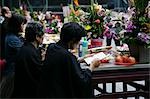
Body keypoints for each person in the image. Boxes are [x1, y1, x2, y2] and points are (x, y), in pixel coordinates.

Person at [38, 22, 101, 98]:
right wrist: (92, 66)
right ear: (73, 40)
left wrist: (80, 59)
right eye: (78, 40)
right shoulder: (68, 56)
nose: (79, 43)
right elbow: (82, 81)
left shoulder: (52, 48)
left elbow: (63, 64)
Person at [12, 22, 44, 98]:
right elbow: (39, 75)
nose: (43, 37)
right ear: (37, 36)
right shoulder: (30, 53)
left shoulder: (27, 48)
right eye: (42, 35)